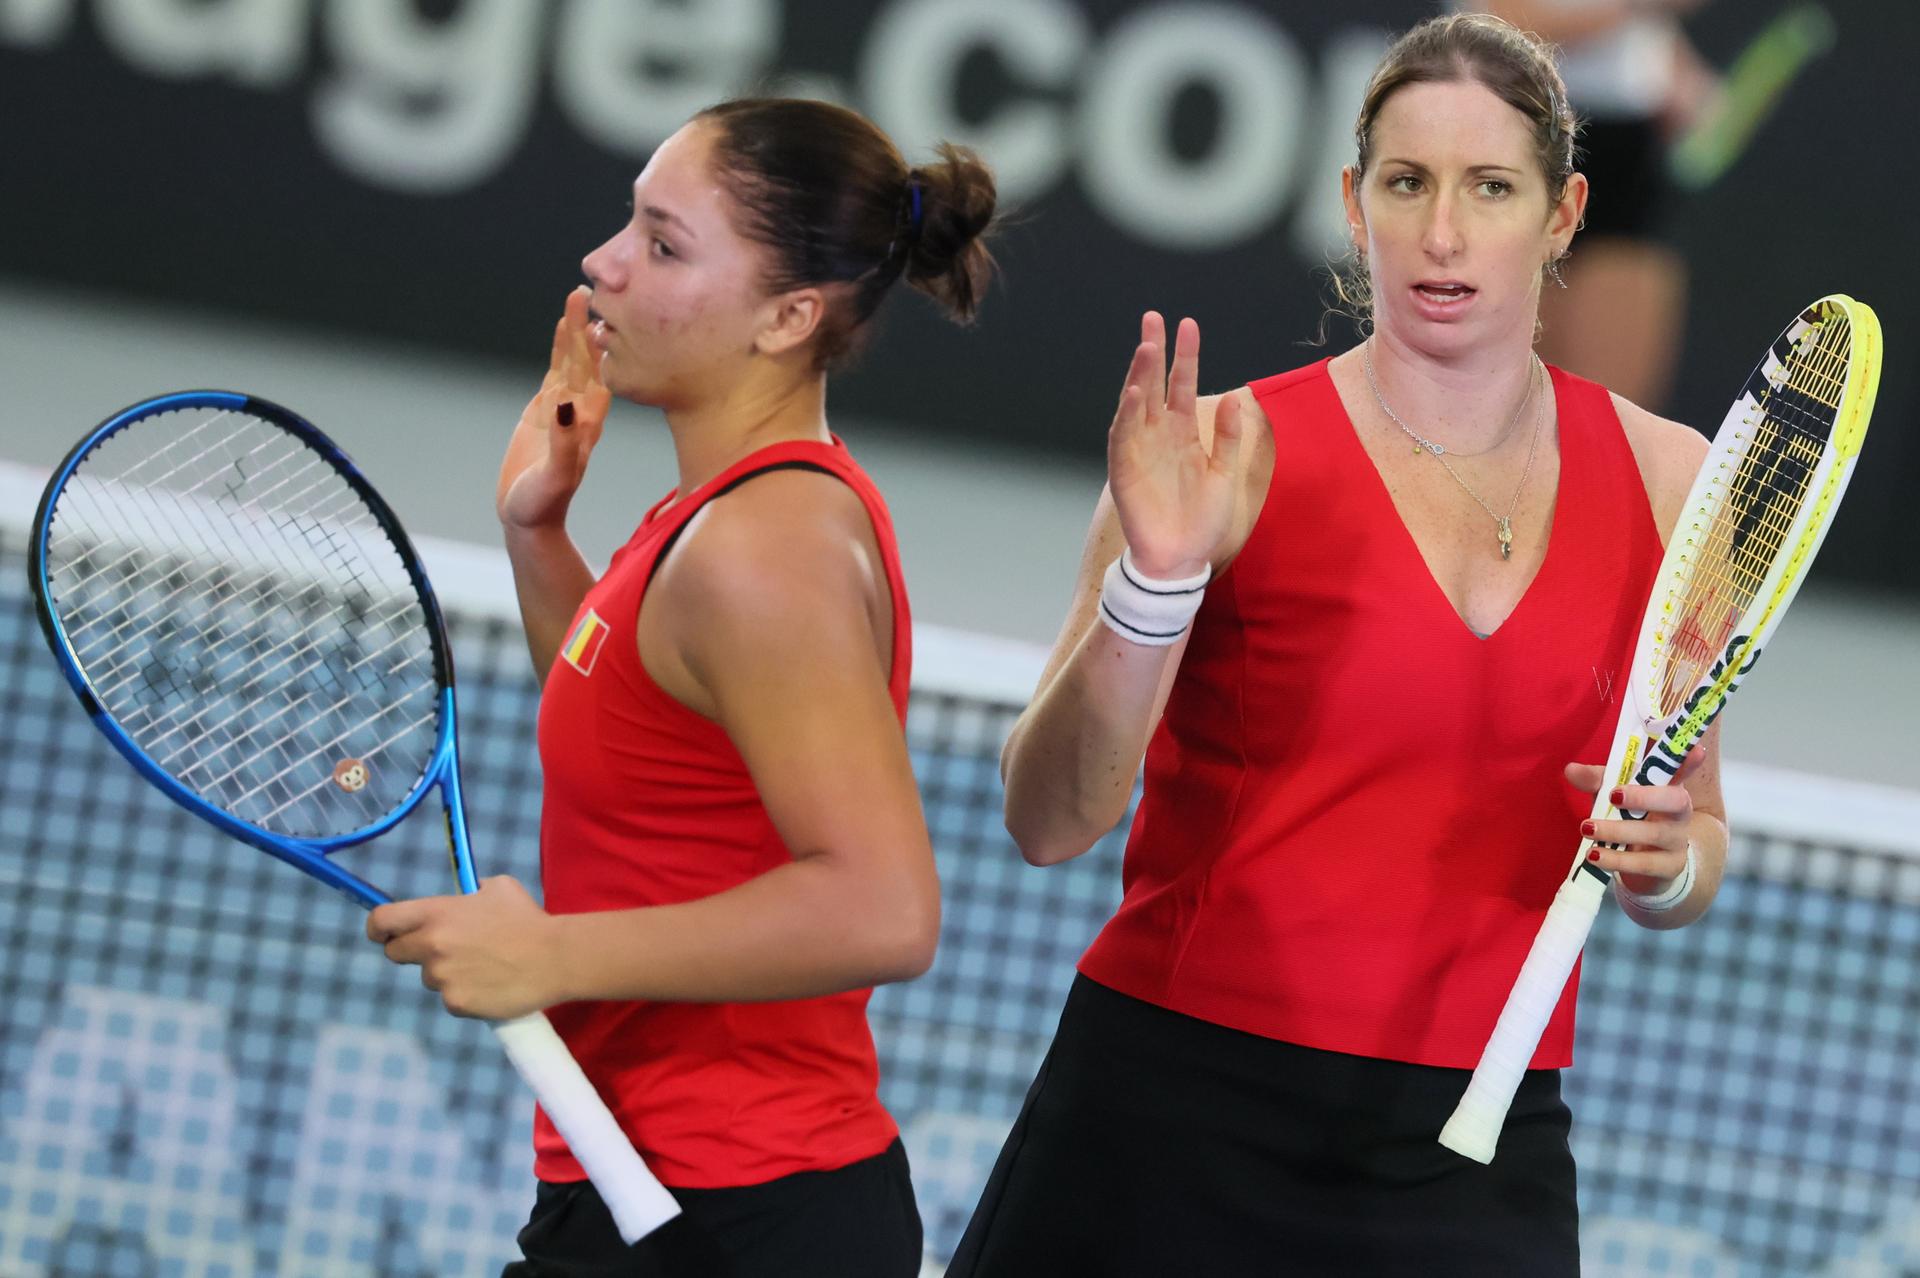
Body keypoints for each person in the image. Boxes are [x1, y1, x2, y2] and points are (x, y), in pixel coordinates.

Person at [949, 14, 1726, 1276]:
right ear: (1355, 205)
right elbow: (1049, 821)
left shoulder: (1670, 484)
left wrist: (1668, 866)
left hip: (1477, 1148)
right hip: (1167, 1123)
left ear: (1565, 213)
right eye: (1408, 184)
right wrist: (1154, 582)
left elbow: (1697, 842)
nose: (1443, 234)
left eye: (1492, 188)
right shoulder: (1219, 455)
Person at [364, 97, 997, 1277]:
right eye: (630, 224)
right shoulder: (723, 512)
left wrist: (553, 955)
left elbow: (883, 909)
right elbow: (647, 740)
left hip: (736, 1212)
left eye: (663, 245)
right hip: (656, 1186)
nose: (602, 263)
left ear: (788, 317)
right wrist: (538, 534)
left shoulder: (762, 551)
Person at [1465, 0, 1724, 412]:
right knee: (1511, 407)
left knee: (1614, 415)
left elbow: (1638, 35)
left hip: (1626, 155)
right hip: (1527, 138)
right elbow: (1498, 26)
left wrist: (1677, 73)